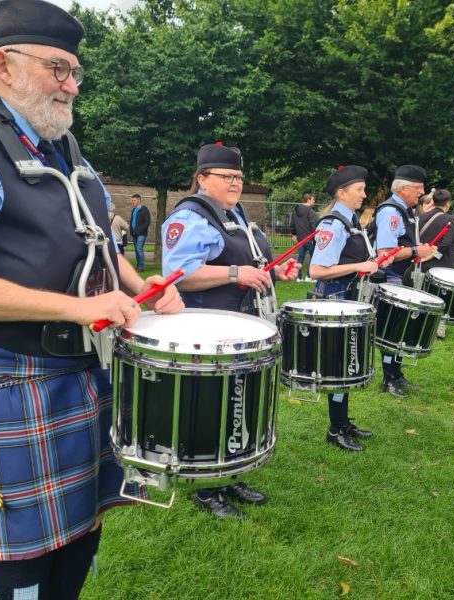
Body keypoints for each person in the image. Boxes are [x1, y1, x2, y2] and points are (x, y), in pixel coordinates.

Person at [0, 2, 184, 598]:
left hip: (84, 367)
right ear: (3, 64)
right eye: (58, 68)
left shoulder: (67, 150)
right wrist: (80, 310)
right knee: (28, 540)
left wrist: (145, 288)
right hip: (13, 376)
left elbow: (99, 240)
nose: (71, 86)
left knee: (84, 525)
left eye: (75, 72)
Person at [161, 142, 298, 518]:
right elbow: (180, 275)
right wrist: (236, 273)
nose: (236, 182)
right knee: (212, 407)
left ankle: (231, 473)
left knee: (238, 402)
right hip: (210, 327)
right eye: (227, 176)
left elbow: (252, 261)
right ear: (202, 178)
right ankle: (207, 488)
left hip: (243, 325)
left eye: (239, 176)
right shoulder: (191, 216)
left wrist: (274, 271)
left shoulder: (233, 212)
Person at [309, 165, 392, 451]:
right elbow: (318, 269)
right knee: (339, 365)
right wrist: (361, 265)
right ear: (341, 193)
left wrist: (376, 262)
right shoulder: (333, 224)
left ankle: (342, 422)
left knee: (349, 362)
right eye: (359, 190)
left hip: (350, 299)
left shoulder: (351, 221)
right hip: (336, 299)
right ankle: (335, 429)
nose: (364, 194)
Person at [371, 165, 437, 397]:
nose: (423, 192)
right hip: (389, 278)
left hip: (399, 276)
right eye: (419, 188)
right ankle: (389, 379)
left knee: (400, 329)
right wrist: (415, 250)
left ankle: (396, 374)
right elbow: (385, 252)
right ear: (405, 188)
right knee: (392, 330)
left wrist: (419, 252)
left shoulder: (404, 210)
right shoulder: (391, 212)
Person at [419, 188, 454, 338]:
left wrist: (425, 256)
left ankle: (422, 325)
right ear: (448, 203)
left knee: (423, 293)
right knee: (441, 297)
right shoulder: (449, 219)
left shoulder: (421, 217)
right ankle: (439, 329)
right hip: (442, 265)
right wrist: (435, 255)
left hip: (421, 262)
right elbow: (446, 244)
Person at [290, 192, 317, 281]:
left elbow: (292, 224)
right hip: (310, 239)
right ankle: (309, 276)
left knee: (300, 257)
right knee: (313, 257)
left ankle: (298, 277)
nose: (314, 201)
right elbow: (313, 226)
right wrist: (315, 237)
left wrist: (294, 234)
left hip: (300, 239)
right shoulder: (311, 212)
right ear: (308, 200)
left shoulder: (295, 212)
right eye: (313, 199)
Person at [130, 193, 150, 271]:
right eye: (132, 200)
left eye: (134, 200)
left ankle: (141, 267)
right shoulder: (134, 210)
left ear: (139, 200)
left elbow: (147, 222)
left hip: (141, 234)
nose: (133, 202)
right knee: (136, 250)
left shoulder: (144, 210)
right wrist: (132, 231)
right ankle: (138, 265)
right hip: (134, 234)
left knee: (139, 249)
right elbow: (132, 221)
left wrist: (140, 230)